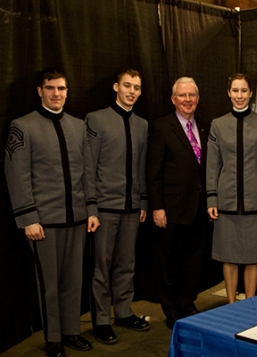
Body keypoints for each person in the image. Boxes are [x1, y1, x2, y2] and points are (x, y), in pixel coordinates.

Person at [4, 67, 100, 357]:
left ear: (67, 91)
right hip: (44, 221)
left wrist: (91, 208)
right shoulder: (22, 126)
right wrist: (28, 218)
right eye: (50, 88)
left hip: (77, 218)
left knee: (73, 281)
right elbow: (16, 175)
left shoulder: (77, 125)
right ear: (40, 91)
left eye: (61, 88)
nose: (56, 94)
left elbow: (87, 172)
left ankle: (71, 332)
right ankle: (53, 338)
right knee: (48, 284)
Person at [85, 69, 149, 344]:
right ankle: (100, 320)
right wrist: (91, 207)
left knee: (126, 264)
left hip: (132, 206)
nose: (131, 91)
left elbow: (142, 166)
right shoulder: (96, 120)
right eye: (127, 85)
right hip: (104, 208)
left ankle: (123, 312)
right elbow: (88, 167)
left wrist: (143, 200)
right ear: (115, 87)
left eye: (136, 87)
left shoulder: (142, 125)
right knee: (102, 266)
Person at [206, 73, 257, 303]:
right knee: (229, 256)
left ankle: (250, 303)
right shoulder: (218, 124)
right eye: (235, 90)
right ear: (229, 93)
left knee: (253, 256)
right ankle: (231, 303)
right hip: (226, 202)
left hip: (256, 202)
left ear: (251, 93)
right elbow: (212, 165)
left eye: (243, 91)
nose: (239, 95)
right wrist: (211, 199)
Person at [146, 77, 208, 329]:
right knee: (169, 262)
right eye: (182, 96)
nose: (188, 100)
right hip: (170, 210)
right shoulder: (161, 127)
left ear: (198, 99)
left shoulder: (204, 127)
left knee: (193, 262)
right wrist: (157, 207)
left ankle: (187, 303)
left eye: (192, 95)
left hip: (198, 208)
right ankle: (170, 308)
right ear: (173, 99)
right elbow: (153, 172)